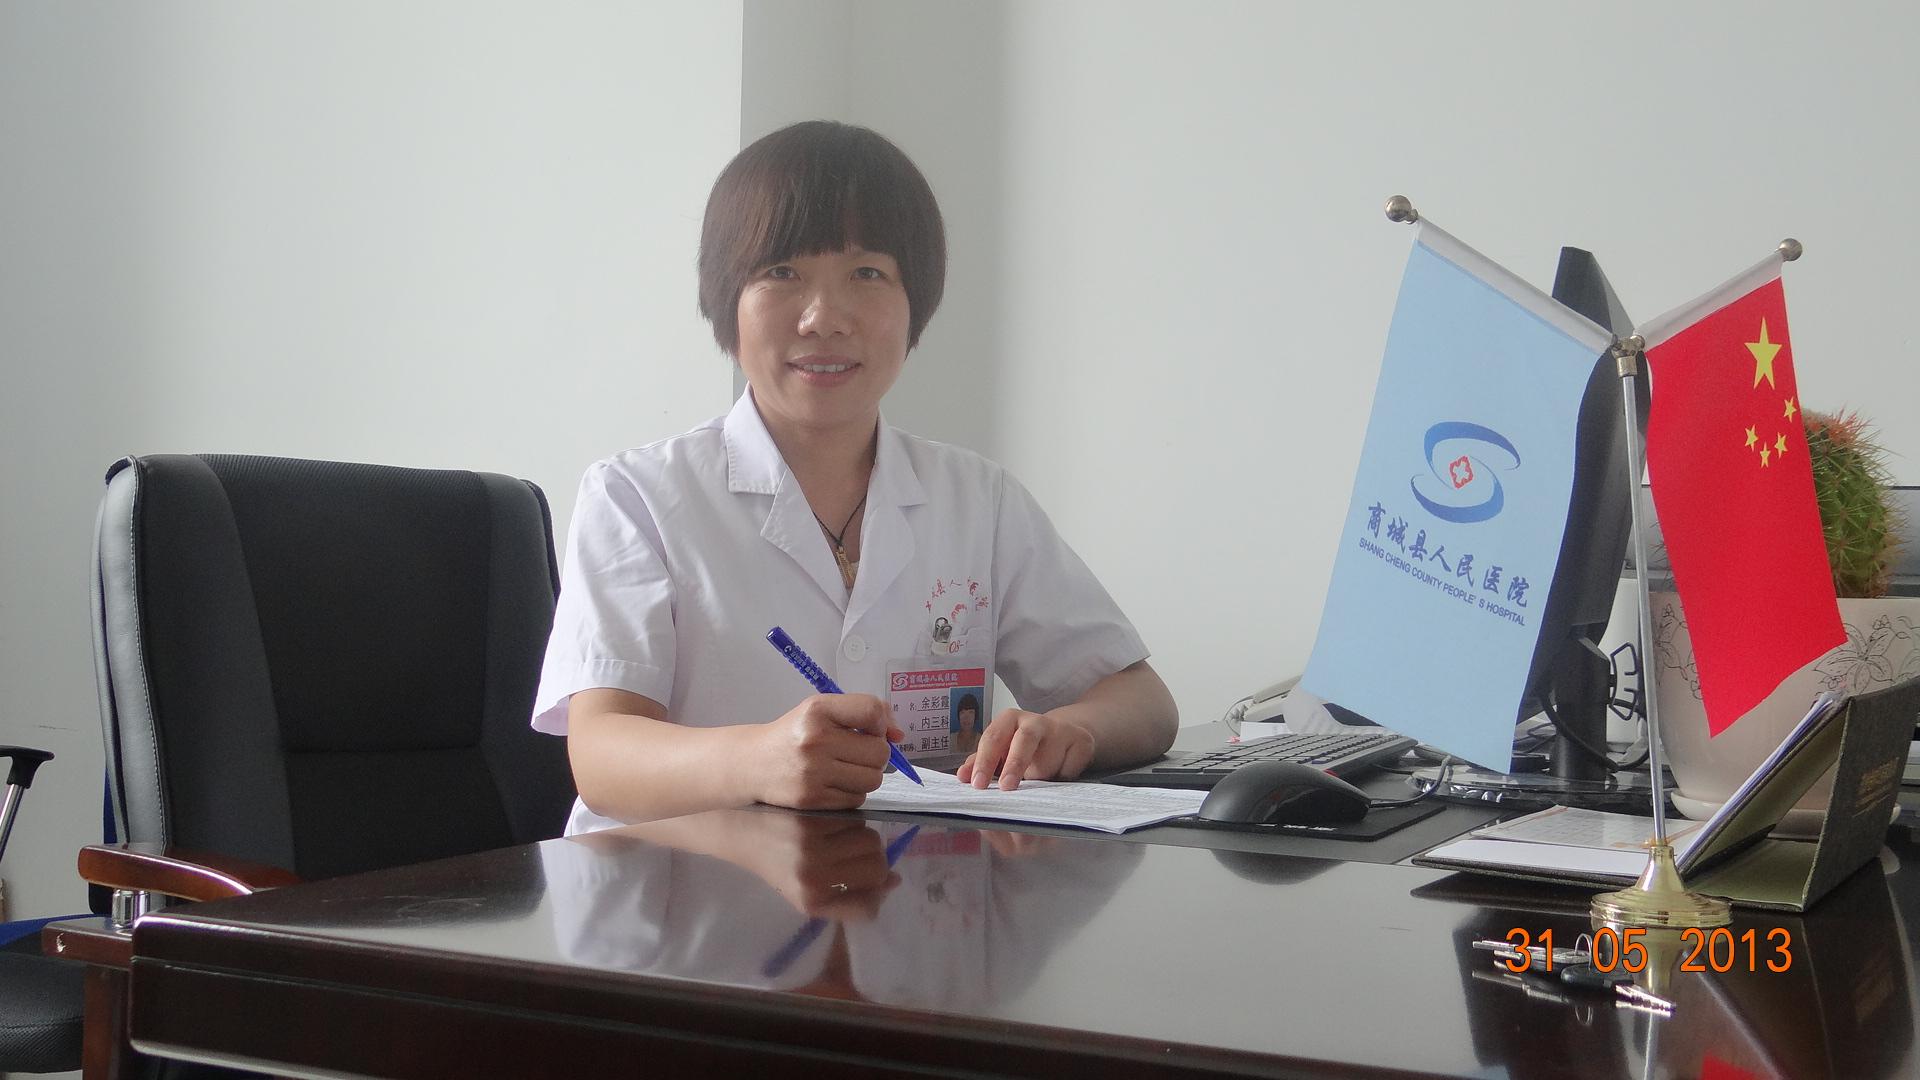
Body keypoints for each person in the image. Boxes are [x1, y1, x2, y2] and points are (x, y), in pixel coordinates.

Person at [532, 120, 1177, 833]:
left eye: (867, 274)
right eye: (782, 273)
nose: (823, 318)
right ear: (726, 300)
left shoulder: (977, 500)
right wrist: (758, 761)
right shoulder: (638, 496)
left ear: (914, 305)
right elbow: (601, 754)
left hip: (908, 885)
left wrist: (1073, 730)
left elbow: (1142, 701)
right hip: (677, 889)